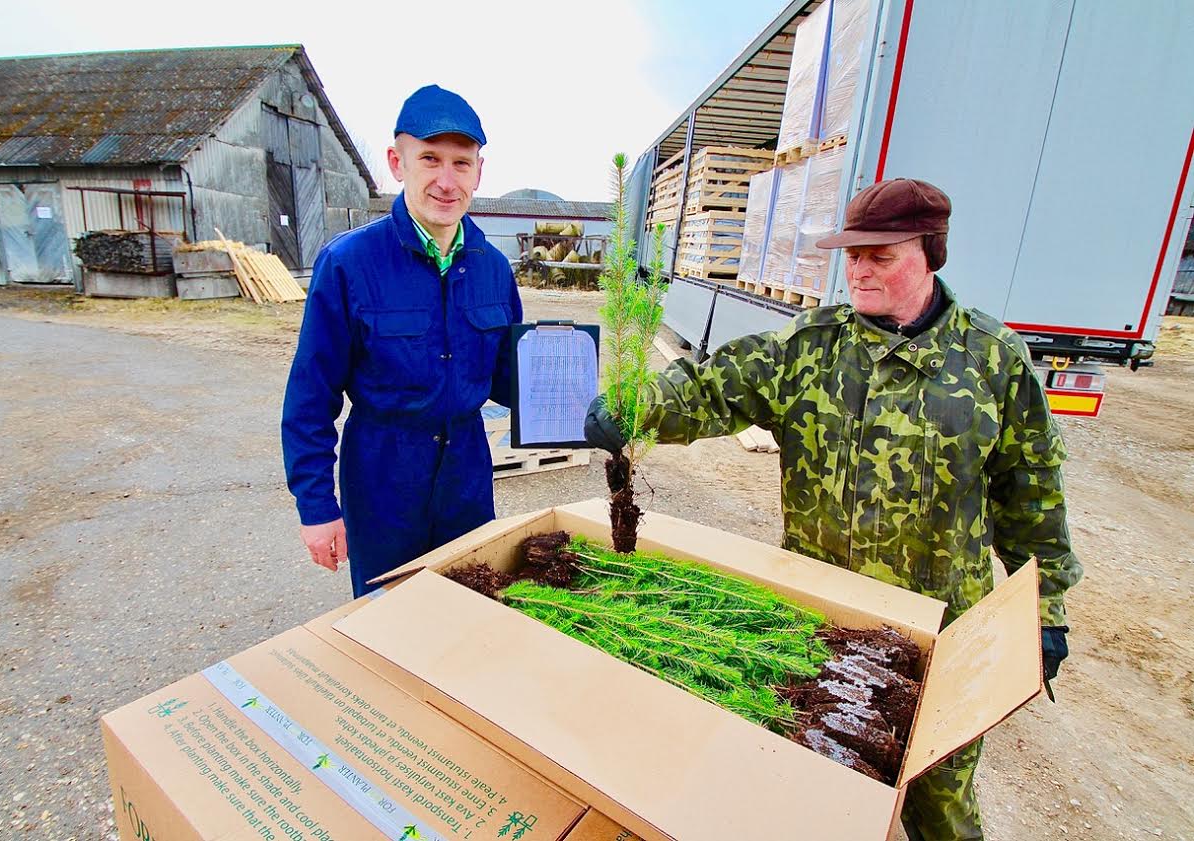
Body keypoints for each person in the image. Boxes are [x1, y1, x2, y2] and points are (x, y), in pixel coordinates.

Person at [585, 178, 1082, 840]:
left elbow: (1033, 496)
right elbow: (711, 389)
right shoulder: (807, 348)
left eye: (882, 254)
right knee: (818, 789)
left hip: (939, 638)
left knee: (941, 804)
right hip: (823, 625)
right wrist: (632, 406)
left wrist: (1043, 614)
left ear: (931, 252)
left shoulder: (993, 360)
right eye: (853, 254)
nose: (860, 269)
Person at [282, 84, 522, 597]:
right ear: (397, 162)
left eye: (461, 163)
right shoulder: (348, 264)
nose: (445, 180)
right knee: (384, 623)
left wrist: (574, 402)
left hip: (467, 479)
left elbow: (510, 380)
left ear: (479, 171)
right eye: (429, 158)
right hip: (383, 480)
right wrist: (318, 507)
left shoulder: (493, 268)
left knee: (470, 609)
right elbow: (310, 398)